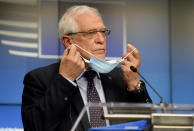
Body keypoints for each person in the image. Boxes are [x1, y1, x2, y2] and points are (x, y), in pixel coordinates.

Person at [22, 5, 152, 131]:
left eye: (103, 32)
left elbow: (151, 124)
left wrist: (135, 86)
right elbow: (35, 127)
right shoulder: (40, 79)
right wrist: (65, 80)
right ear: (68, 42)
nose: (101, 39)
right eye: (91, 33)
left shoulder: (120, 77)